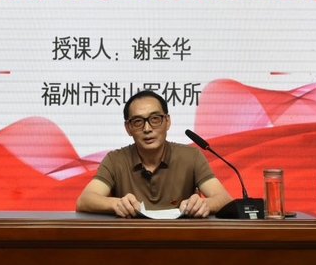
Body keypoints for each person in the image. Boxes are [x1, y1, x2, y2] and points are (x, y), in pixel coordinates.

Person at [76, 90, 232, 218]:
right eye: (138, 121)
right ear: (128, 128)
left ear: (167, 121)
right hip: (130, 240)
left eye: (155, 119)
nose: (147, 129)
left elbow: (224, 199)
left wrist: (203, 204)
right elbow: (84, 200)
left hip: (180, 239)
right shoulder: (115, 160)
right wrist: (116, 204)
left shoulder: (191, 156)